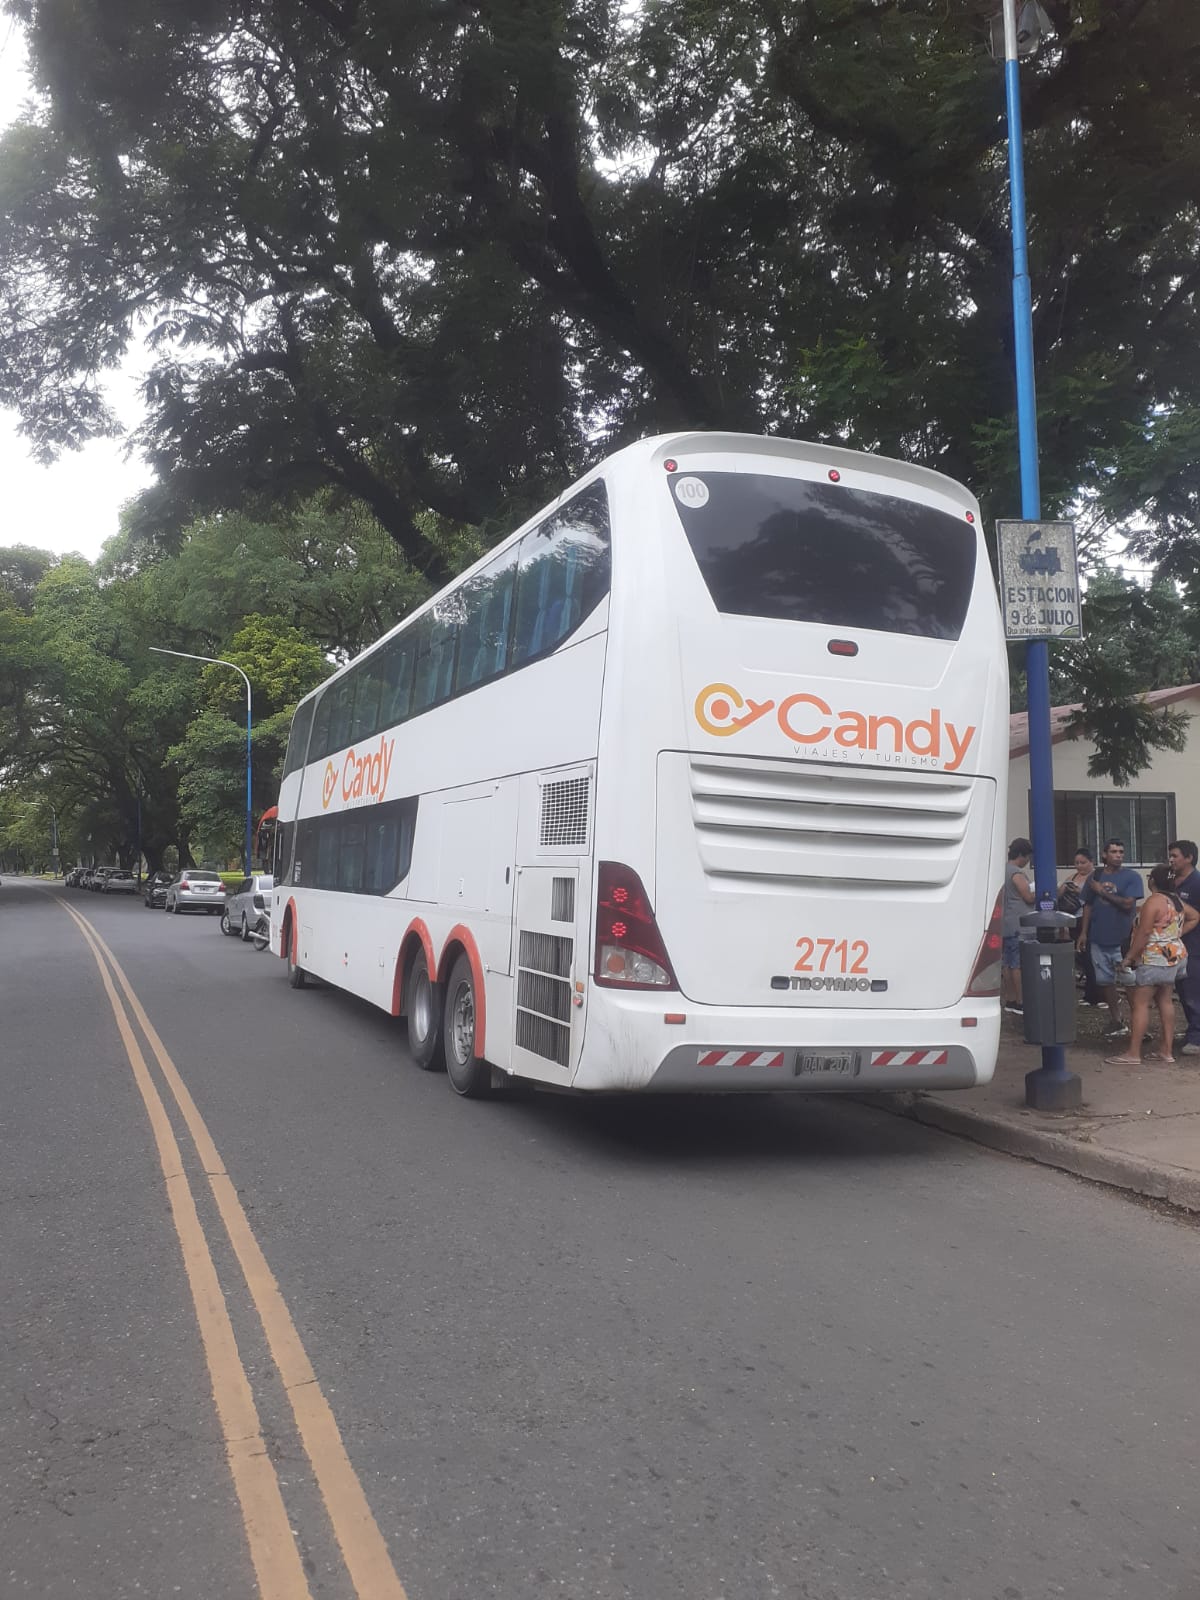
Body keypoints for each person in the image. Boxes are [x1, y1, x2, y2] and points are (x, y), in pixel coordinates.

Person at [1105, 864, 1199, 1066]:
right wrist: (1174, 936)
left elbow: (1144, 933)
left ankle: (1133, 1053)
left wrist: (1129, 957)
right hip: (1174, 957)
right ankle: (1166, 1051)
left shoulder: (1154, 901)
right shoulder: (1175, 900)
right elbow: (1195, 916)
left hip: (1155, 959)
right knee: (1165, 1000)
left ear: (1153, 881)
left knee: (1140, 1003)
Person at [1077, 838, 1144, 1041]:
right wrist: (1083, 932)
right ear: (1105, 855)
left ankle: (1138, 1024)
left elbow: (1127, 904)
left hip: (1122, 938)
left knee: (1130, 982)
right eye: (1114, 852)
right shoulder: (1095, 876)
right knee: (1105, 981)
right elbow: (1088, 905)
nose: (1118, 855)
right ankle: (1116, 1020)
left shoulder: (1131, 877)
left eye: (1121, 852)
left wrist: (1102, 892)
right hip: (1098, 937)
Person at [1058, 846, 1102, 1005]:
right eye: (1076, 863)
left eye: (1083, 863)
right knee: (1081, 956)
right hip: (1073, 918)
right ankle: (1089, 993)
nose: (1079, 866)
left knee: (1091, 956)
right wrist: (1064, 888)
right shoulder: (1073, 876)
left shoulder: (1096, 877)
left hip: (1089, 919)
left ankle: (1096, 993)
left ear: (1091, 862)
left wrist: (1079, 893)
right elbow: (1058, 894)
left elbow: (1097, 898)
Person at [1168, 839, 1200, 1057]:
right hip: (1175, 948)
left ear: (1189, 858)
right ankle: (1192, 1030)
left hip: (1194, 947)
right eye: (1170, 856)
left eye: (1175, 856)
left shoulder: (1197, 883)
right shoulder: (1172, 881)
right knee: (1183, 992)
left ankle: (1196, 1038)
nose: (1171, 860)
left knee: (1193, 993)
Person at [1001, 838, 1035, 1014]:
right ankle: (1021, 1001)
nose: (1028, 861)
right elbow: (1028, 897)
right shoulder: (1017, 873)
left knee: (1007, 963)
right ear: (1022, 855)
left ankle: (1010, 999)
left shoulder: (1001, 870)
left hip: (1005, 923)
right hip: (1019, 924)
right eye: (1028, 857)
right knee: (1017, 965)